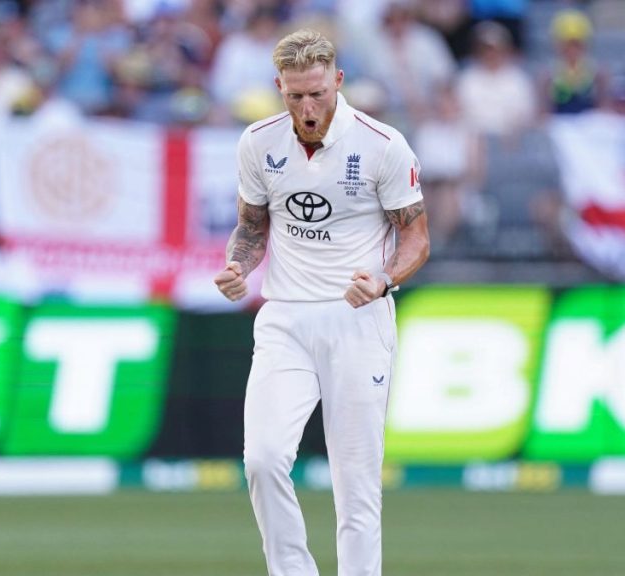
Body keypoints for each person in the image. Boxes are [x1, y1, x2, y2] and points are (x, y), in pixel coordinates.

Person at [213, 28, 430, 576]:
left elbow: (417, 238)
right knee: (262, 460)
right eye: (294, 96)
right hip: (284, 317)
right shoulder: (258, 142)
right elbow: (251, 226)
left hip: (356, 319)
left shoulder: (382, 144)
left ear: (337, 81)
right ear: (278, 88)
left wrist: (382, 280)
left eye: (317, 94)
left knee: (355, 483)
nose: (308, 109)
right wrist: (239, 266)